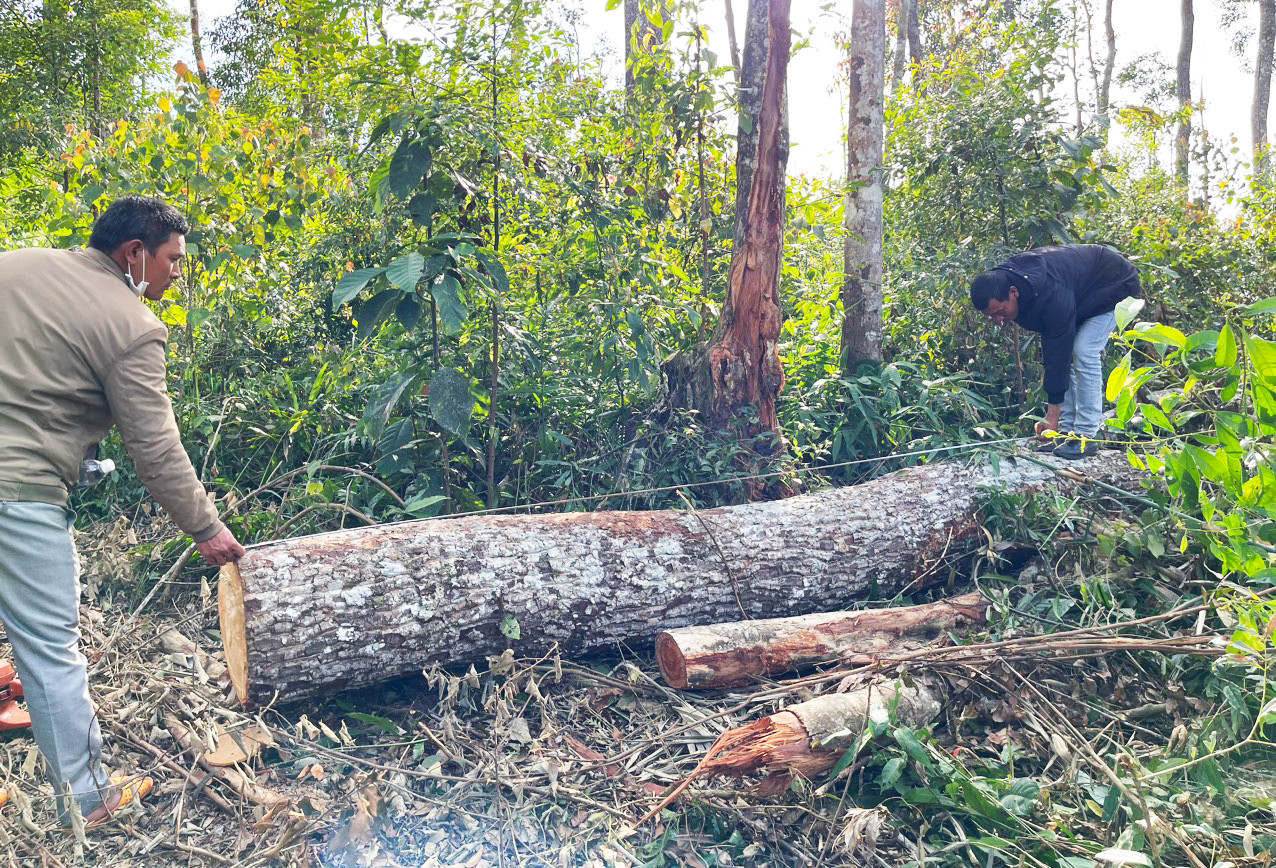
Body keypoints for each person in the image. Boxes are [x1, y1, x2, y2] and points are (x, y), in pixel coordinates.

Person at [0, 195, 245, 827]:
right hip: (18, 491)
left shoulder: (17, 266)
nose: (177, 273)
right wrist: (206, 528)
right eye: (172, 259)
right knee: (50, 649)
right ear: (135, 253)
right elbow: (155, 448)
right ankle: (89, 801)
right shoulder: (131, 324)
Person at [969, 244, 1141, 459]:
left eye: (1000, 311)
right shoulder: (1012, 283)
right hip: (1080, 295)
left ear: (1014, 293)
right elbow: (1056, 353)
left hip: (1114, 285)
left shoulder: (1050, 293)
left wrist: (1051, 415)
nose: (998, 320)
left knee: (1083, 350)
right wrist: (1055, 423)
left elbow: (1058, 353)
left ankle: (1086, 436)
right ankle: (1067, 433)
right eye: (992, 316)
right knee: (1067, 355)